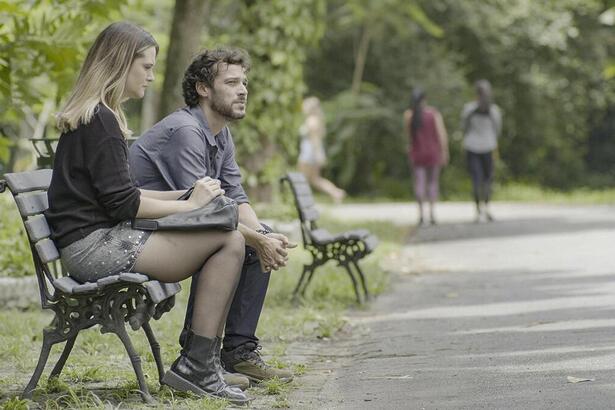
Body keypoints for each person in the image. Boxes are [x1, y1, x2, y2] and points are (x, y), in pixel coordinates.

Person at [44, 22, 250, 405]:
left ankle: (199, 365)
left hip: (98, 239)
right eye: (146, 67)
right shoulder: (100, 120)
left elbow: (123, 195)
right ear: (120, 64)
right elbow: (125, 204)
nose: (152, 77)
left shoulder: (99, 115)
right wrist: (189, 205)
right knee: (229, 240)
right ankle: (197, 368)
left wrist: (189, 195)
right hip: (94, 249)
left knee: (227, 234)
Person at [128, 48, 294, 386]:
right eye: (231, 82)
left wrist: (264, 234)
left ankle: (236, 353)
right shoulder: (186, 132)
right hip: (139, 232)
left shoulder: (221, 133)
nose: (242, 89)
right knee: (238, 241)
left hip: (174, 226)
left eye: (244, 82)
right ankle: (200, 357)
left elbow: (235, 196)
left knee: (257, 236)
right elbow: (206, 212)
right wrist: (258, 240)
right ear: (204, 88)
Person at [403, 88, 449, 225]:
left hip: (417, 154)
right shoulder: (433, 113)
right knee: (433, 183)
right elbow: (441, 135)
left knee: (419, 183)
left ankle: (421, 215)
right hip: (433, 153)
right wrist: (445, 152)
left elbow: (408, 137)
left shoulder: (408, 115)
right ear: (424, 99)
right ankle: (432, 213)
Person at [461, 79, 502, 222]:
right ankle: (485, 209)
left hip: (474, 147)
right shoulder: (493, 111)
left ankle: (480, 210)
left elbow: (464, 128)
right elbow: (497, 130)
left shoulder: (469, 109)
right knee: (487, 180)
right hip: (486, 147)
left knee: (477, 180)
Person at [298, 96, 346, 203]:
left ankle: (302, 201)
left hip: (308, 152)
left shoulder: (311, 121)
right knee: (315, 179)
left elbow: (314, 140)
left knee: (302, 179)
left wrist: (318, 155)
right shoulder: (316, 120)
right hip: (313, 152)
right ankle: (336, 192)